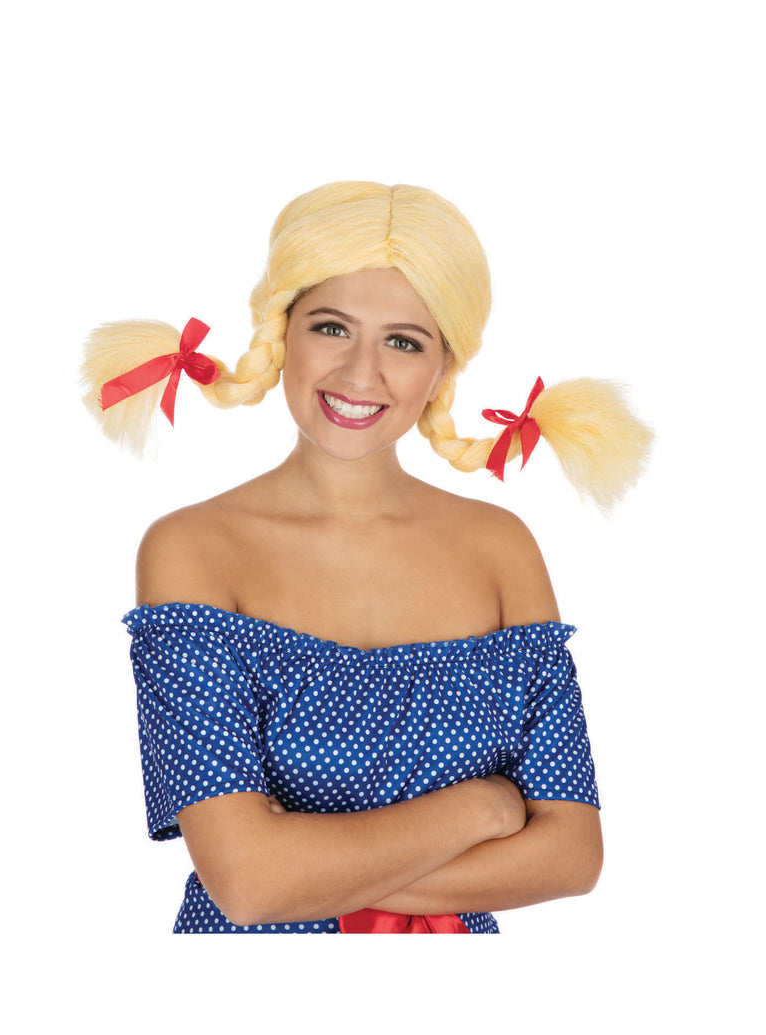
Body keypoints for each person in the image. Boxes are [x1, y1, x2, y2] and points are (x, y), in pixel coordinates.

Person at [81, 181, 651, 934]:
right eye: (331, 328)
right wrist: (481, 808)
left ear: (444, 367)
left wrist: (310, 864)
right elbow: (249, 884)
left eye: (404, 341)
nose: (359, 374)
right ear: (282, 333)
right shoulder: (193, 549)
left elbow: (572, 856)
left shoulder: (501, 548)